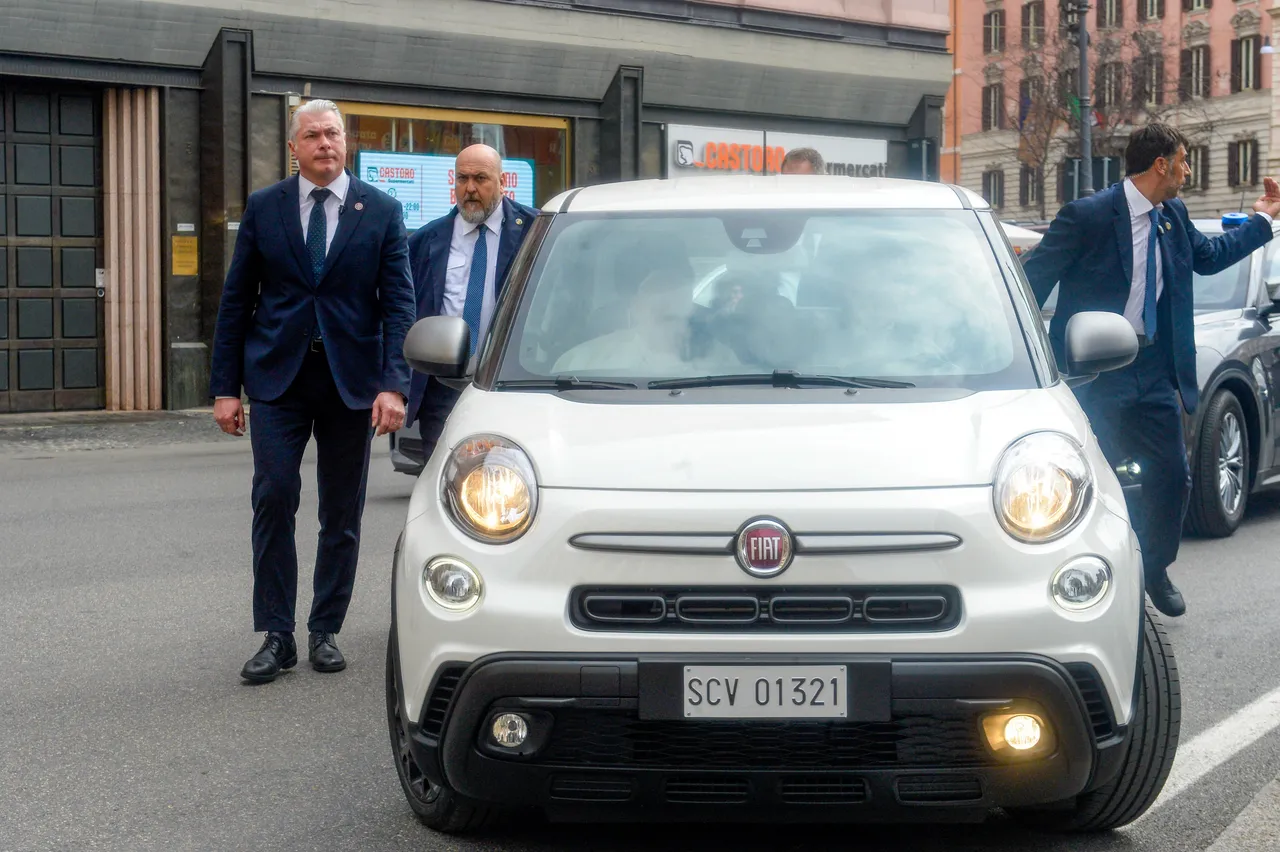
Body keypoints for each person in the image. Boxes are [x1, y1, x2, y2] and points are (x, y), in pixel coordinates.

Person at [1023, 123, 1280, 618]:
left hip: (1156, 368)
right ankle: (1086, 579)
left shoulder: (1172, 214)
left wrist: (1263, 221)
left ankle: (1153, 566)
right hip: (1096, 372)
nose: (1187, 170)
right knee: (1093, 480)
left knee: (1173, 478)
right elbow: (1033, 281)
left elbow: (1209, 258)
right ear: (1161, 163)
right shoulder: (1089, 216)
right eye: (1184, 160)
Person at [209, 99, 416, 683]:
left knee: (341, 510)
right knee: (274, 496)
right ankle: (276, 634)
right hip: (279, 378)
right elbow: (236, 300)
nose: (325, 143)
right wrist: (226, 387)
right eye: (313, 135)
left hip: (351, 384)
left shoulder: (380, 210)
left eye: (333, 134)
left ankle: (325, 628)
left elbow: (399, 306)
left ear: (345, 143)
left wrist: (393, 385)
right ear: (294, 147)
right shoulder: (265, 207)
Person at [404, 144, 539, 462]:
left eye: (481, 178)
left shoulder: (534, 232)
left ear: (502, 181)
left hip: (510, 386)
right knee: (445, 485)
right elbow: (405, 314)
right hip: (443, 389)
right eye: (462, 179)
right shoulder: (425, 242)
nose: (470, 189)